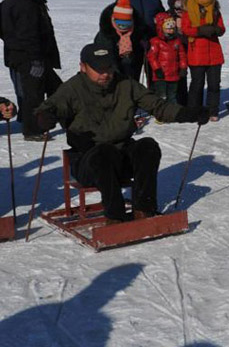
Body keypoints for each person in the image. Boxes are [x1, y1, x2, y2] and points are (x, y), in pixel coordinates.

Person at [34, 43, 209, 222]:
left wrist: (189, 113)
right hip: (89, 161)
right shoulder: (72, 88)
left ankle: (144, 209)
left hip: (121, 154)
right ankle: (115, 215)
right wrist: (44, 117)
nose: (105, 73)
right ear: (83, 67)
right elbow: (48, 108)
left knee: (148, 146)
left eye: (108, 67)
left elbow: (158, 107)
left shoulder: (125, 84)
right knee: (103, 153)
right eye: (98, 69)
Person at [0, 0, 62, 140]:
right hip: (29, 58)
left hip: (24, 56)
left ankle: (58, 117)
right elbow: (28, 35)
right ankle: (32, 130)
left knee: (56, 88)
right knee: (33, 94)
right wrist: (35, 59)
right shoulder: (25, 4)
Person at [181, 0, 226, 121]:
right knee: (197, 84)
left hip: (214, 52)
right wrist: (200, 31)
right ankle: (194, 111)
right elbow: (185, 29)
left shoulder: (215, 9)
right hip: (197, 53)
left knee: (214, 84)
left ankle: (213, 111)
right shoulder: (189, 9)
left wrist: (217, 30)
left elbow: (222, 28)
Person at [95, 0, 146, 81]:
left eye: (126, 25)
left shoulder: (137, 30)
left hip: (131, 68)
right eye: (120, 24)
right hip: (111, 68)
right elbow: (106, 55)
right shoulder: (106, 33)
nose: (122, 27)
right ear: (114, 20)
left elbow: (138, 54)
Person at [155, 0, 191, 105]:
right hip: (172, 54)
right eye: (177, 4)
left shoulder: (190, 16)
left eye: (183, 4)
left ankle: (184, 102)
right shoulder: (167, 17)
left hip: (189, 51)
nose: (180, 8)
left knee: (184, 77)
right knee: (174, 79)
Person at [147, 15, 187, 105]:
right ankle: (160, 113)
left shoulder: (177, 41)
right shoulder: (156, 41)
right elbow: (152, 57)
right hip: (161, 75)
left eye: (173, 28)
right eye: (168, 29)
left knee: (172, 95)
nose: (171, 31)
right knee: (161, 96)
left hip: (174, 73)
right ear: (162, 28)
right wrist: (157, 69)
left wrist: (183, 67)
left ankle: (171, 113)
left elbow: (182, 55)